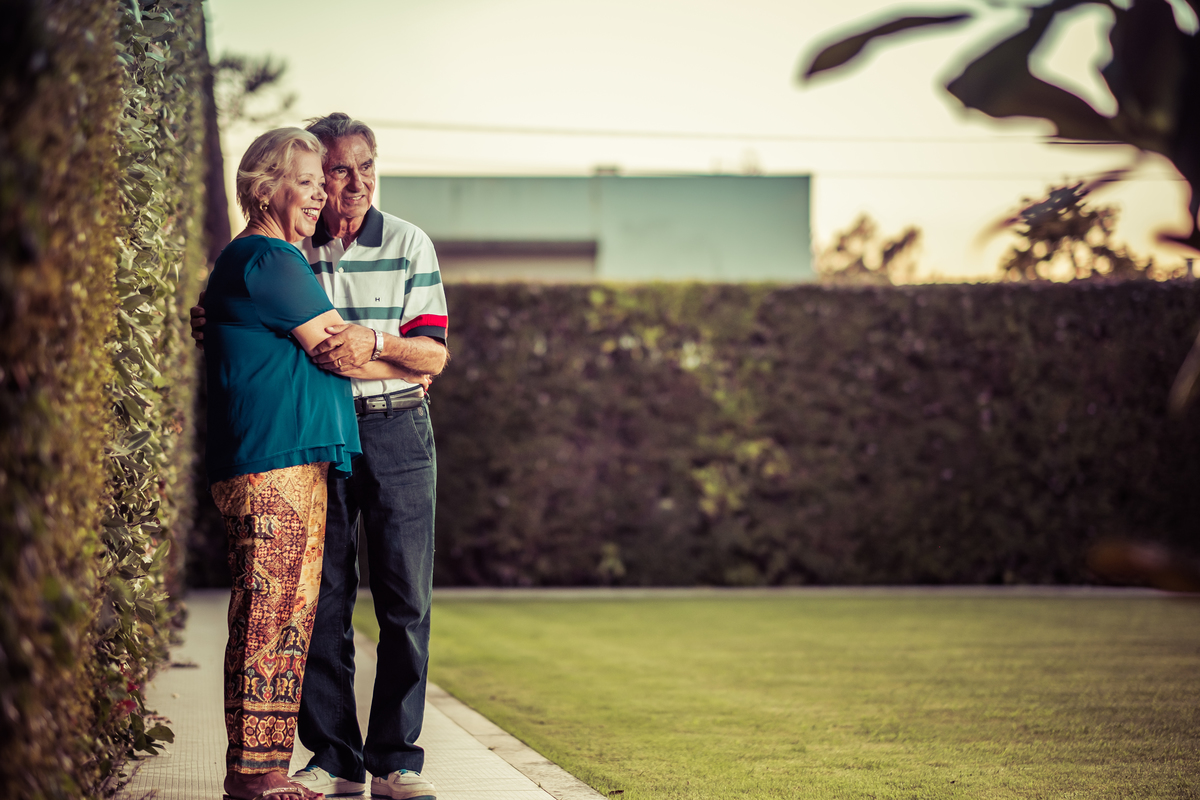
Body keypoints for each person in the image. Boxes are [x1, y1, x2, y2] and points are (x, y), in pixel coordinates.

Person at [194, 113, 449, 800]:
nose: (353, 183)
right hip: (315, 440)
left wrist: (385, 348)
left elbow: (433, 354)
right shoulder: (287, 251)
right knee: (318, 600)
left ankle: (396, 759)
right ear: (289, 183)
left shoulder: (408, 243)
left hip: (394, 429)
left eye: (366, 167)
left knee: (404, 599)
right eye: (333, 172)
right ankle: (333, 756)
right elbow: (310, 345)